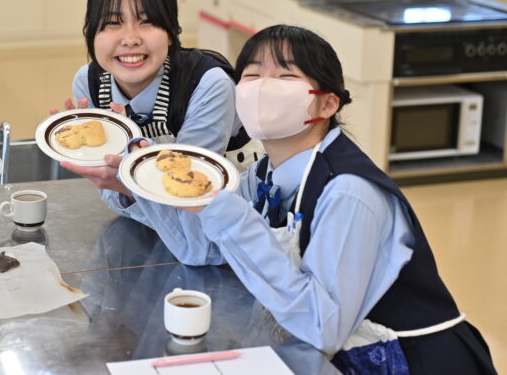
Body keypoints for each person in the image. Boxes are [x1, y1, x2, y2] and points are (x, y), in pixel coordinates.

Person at [117, 25, 496, 374]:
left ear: (327, 104)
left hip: (414, 362)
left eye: (285, 77)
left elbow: (320, 327)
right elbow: (200, 247)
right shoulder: (265, 173)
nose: (262, 88)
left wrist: (230, 215)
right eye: (252, 75)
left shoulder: (348, 191)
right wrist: (142, 181)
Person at [55, 0, 258, 216]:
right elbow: (112, 192)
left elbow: (189, 196)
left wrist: (125, 171)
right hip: (152, 221)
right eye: (113, 22)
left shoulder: (208, 84)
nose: (131, 39)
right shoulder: (89, 83)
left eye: (147, 21)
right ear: (91, 33)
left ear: (171, 32)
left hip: (232, 218)